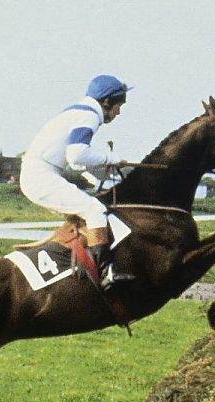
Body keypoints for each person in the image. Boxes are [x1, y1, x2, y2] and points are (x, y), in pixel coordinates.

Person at [20, 74, 131, 286]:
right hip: (41, 177)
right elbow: (77, 155)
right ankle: (105, 274)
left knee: (86, 214)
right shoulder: (89, 116)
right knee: (95, 211)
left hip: (40, 174)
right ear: (107, 101)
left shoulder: (77, 111)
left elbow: (77, 162)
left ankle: (81, 267)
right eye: (119, 105)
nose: (119, 112)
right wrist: (111, 158)